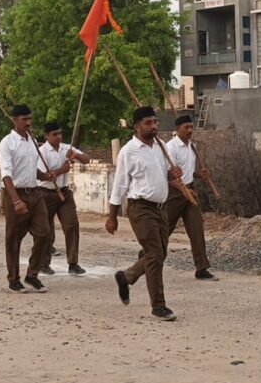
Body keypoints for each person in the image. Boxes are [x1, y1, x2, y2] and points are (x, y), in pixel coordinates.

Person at [107, 107, 182, 321]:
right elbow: (119, 185)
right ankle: (158, 306)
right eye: (149, 123)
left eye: (156, 122)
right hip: (140, 209)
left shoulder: (161, 146)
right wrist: (112, 216)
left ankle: (127, 277)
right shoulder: (128, 151)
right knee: (155, 254)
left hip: (161, 208)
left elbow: (162, 175)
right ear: (137, 126)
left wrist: (173, 175)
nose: (154, 126)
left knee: (159, 254)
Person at [0, 104, 51, 293]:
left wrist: (45, 176)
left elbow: (29, 168)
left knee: (44, 233)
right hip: (15, 194)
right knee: (13, 238)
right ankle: (13, 279)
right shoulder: (6, 144)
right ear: (14, 121)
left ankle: (32, 275)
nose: (28, 123)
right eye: (24, 120)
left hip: (35, 193)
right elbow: (7, 174)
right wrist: (16, 201)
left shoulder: (33, 141)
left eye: (30, 119)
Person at [164, 115, 217, 281]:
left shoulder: (192, 147)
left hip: (190, 192)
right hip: (174, 193)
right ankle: (148, 255)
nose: (189, 131)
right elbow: (168, 174)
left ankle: (201, 268)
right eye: (186, 127)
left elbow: (188, 172)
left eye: (191, 127)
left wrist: (200, 175)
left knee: (196, 229)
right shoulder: (170, 148)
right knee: (164, 230)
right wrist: (184, 190)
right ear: (177, 129)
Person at [37, 122, 89, 275]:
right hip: (45, 193)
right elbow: (43, 177)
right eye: (55, 134)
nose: (58, 137)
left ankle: (73, 263)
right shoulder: (41, 152)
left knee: (72, 226)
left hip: (64, 193)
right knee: (47, 230)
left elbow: (87, 159)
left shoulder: (67, 148)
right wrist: (62, 170)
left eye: (60, 133)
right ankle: (44, 263)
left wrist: (76, 155)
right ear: (47, 136)